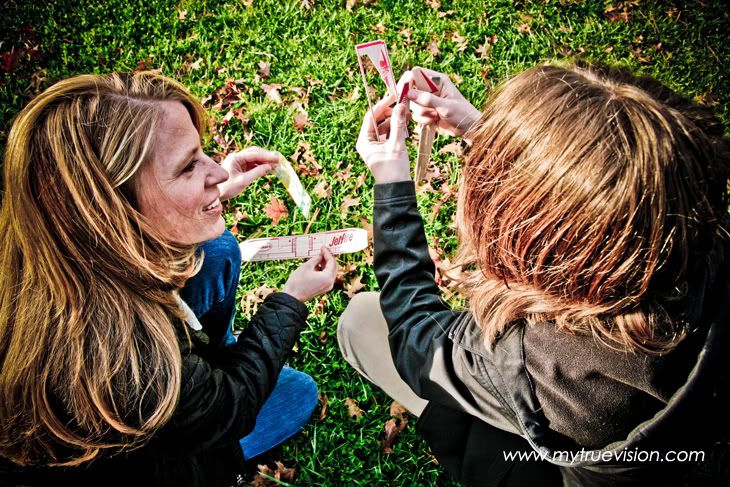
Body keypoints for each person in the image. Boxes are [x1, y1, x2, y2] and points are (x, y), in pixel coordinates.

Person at [339, 62, 730, 486]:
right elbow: (609, 203)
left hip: (543, 474)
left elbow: (418, 345)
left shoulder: (532, 362)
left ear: (541, 244)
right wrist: (490, 134)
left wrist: (392, 185)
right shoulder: (702, 238)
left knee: (359, 322)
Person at [0, 71, 337, 486]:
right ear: (113, 212)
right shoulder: (132, 365)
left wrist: (207, 192)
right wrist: (291, 300)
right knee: (298, 394)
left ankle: (218, 353)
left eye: (203, 154)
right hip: (163, 460)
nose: (217, 171)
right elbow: (233, 406)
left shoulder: (60, 248)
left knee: (216, 252)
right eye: (188, 167)